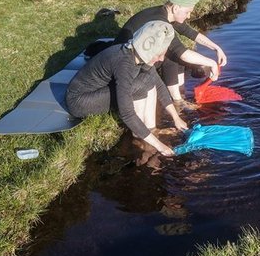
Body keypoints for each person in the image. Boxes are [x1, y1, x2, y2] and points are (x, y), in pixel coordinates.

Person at [66, 21, 187, 156]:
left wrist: (176, 117)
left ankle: (150, 129)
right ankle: (138, 136)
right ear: (147, 50)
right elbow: (127, 113)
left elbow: (158, 84)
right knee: (142, 83)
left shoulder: (137, 53)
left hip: (97, 90)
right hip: (79, 101)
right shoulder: (124, 63)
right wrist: (160, 146)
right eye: (158, 54)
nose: (161, 58)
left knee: (148, 79)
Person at [113, 0, 227, 111]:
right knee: (171, 55)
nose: (189, 16)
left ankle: (180, 94)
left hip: (130, 55)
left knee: (174, 54)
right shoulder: (161, 22)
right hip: (125, 65)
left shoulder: (165, 13)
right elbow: (181, 53)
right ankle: (178, 101)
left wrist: (217, 48)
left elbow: (190, 32)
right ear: (176, 8)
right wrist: (211, 63)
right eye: (187, 12)